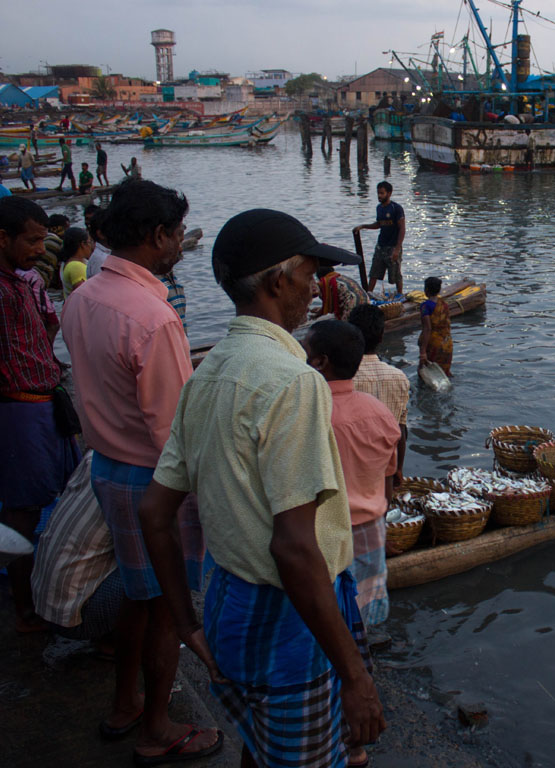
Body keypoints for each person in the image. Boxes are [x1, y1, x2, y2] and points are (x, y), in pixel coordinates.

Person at [139, 208, 385, 768]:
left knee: (262, 743)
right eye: (309, 276)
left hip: (228, 599)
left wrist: (187, 623)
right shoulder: (294, 381)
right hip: (287, 619)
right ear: (278, 280)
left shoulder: (208, 371)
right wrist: (355, 677)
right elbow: (294, 547)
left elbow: (155, 511)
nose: (314, 291)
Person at [60, 179, 217, 763]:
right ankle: (156, 727)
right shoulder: (153, 316)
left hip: (106, 466)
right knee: (167, 610)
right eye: (176, 234)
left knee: (138, 595)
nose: (179, 244)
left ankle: (126, 702)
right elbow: (176, 432)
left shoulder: (83, 296)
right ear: (157, 236)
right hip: (151, 480)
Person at [0, 195, 81, 631]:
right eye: (31, 241)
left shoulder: (13, 282)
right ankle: (26, 610)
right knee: (22, 510)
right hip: (17, 413)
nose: (39, 250)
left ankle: (41, 595)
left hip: (37, 405)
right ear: (2, 238)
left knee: (46, 500)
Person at [303, 319, 399, 635]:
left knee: (326, 620)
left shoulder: (309, 414)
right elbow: (388, 478)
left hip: (325, 533)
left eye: (305, 351)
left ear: (320, 362)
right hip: (371, 527)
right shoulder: (380, 412)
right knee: (363, 611)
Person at [31, 452, 125, 644]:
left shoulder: (97, 454)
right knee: (162, 567)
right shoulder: (135, 477)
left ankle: (113, 636)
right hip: (75, 616)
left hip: (44, 601)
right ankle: (116, 644)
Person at [348, 303, 409, 483]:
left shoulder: (345, 378)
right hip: (385, 466)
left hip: (351, 468)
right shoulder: (399, 377)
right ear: (381, 337)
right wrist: (398, 469)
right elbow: (401, 429)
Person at [354, 180, 406, 297]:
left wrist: (397, 249)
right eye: (378, 193)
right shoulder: (379, 208)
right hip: (381, 245)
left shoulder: (396, 208)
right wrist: (363, 226)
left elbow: (402, 229)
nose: (379, 196)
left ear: (389, 193)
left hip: (392, 246)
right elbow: (378, 224)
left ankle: (400, 295)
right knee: (374, 272)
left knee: (395, 274)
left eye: (382, 193)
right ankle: (368, 295)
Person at [418, 275, 452, 377]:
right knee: (444, 374)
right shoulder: (444, 305)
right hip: (446, 343)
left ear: (426, 290)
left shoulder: (425, 306)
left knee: (424, 372)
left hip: (433, 344)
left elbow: (427, 328)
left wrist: (423, 351)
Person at [58, 226, 93, 296]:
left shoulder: (67, 262)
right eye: (89, 242)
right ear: (83, 244)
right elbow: (83, 296)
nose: (91, 246)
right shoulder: (76, 267)